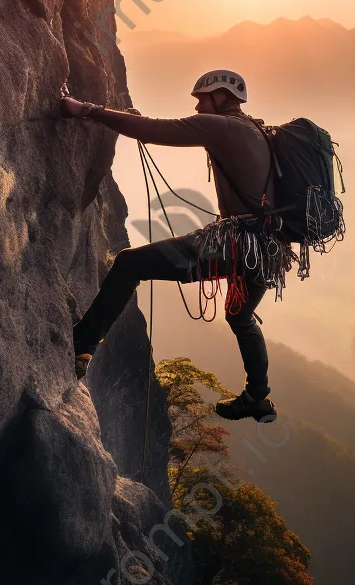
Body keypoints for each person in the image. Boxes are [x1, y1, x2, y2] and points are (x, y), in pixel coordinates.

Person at [59, 69, 290, 422]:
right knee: (240, 317)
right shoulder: (255, 129)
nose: (197, 106)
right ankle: (258, 397)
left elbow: (156, 130)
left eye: (203, 98)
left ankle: (81, 347)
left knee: (129, 264)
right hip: (266, 250)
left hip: (234, 244)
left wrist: (86, 110)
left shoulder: (222, 127)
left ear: (222, 98)